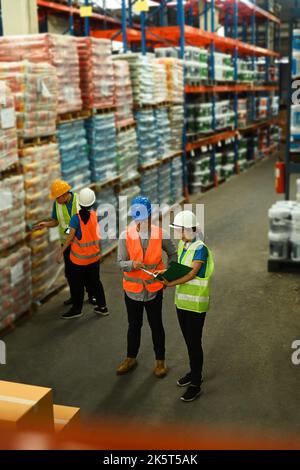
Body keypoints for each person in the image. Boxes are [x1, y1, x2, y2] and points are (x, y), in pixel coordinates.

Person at [117, 196, 177, 378]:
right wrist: (131, 264)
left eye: (143, 218)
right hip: (132, 291)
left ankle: (160, 362)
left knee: (156, 325)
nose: (140, 222)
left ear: (150, 217)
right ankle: (130, 358)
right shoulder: (125, 235)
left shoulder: (161, 234)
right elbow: (120, 262)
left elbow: (173, 254)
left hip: (153, 290)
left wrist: (167, 276)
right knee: (133, 325)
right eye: (137, 218)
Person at [162, 210, 214, 402]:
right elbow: (180, 269)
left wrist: (170, 283)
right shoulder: (185, 245)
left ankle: (196, 383)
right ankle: (194, 372)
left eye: (180, 230)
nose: (178, 234)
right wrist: (166, 275)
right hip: (182, 302)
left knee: (194, 342)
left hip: (196, 304)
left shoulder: (200, 248)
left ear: (189, 229)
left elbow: (191, 274)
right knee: (188, 340)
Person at [34, 179, 96, 306]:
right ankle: (75, 297)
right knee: (70, 273)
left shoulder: (80, 201)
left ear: (64, 194)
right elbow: (56, 221)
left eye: (57, 197)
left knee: (87, 271)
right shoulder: (57, 204)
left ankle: (92, 295)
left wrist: (70, 232)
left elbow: (84, 223)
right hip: (67, 244)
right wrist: (46, 224)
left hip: (81, 243)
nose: (56, 200)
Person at [56, 188, 108, 320]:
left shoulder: (76, 219)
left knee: (77, 284)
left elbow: (69, 237)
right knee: (96, 282)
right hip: (94, 258)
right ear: (92, 203)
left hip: (79, 260)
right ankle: (102, 307)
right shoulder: (96, 216)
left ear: (79, 202)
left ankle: (77, 309)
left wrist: (60, 252)